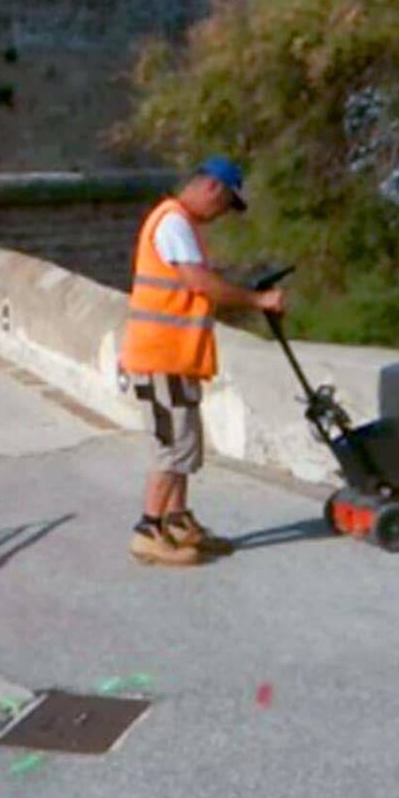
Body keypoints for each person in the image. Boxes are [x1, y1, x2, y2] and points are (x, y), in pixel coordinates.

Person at [119, 156, 287, 566]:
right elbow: (199, 283)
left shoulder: (182, 223)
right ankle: (148, 530)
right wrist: (257, 299)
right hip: (161, 355)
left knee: (184, 442)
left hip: (177, 357)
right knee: (171, 447)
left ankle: (177, 523)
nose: (223, 214)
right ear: (214, 188)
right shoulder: (174, 222)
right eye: (227, 203)